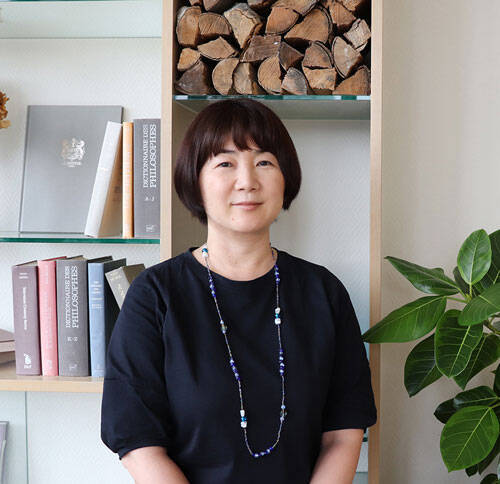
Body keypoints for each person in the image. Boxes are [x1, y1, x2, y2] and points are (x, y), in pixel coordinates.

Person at [100, 98, 377, 484]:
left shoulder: (323, 293)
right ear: (195, 180)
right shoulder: (155, 295)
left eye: (264, 162)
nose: (247, 181)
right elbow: (138, 443)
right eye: (225, 163)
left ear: (286, 177)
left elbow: (343, 435)